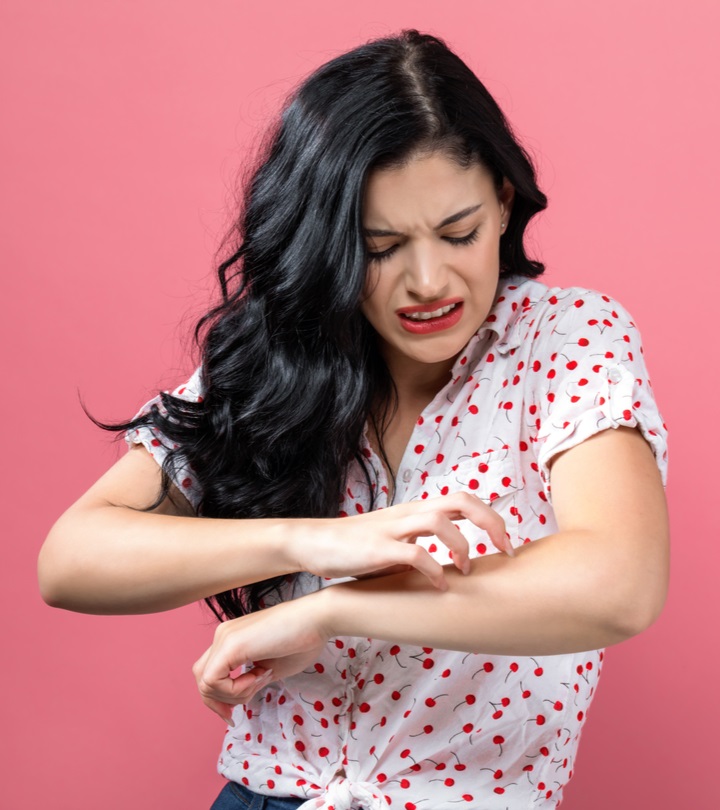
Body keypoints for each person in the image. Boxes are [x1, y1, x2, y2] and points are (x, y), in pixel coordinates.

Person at [38, 29, 670, 810]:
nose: (428, 280)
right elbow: (70, 559)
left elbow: (620, 583)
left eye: (459, 232)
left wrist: (331, 610)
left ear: (505, 204)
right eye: (380, 247)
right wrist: (312, 540)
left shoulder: (566, 340)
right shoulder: (278, 361)